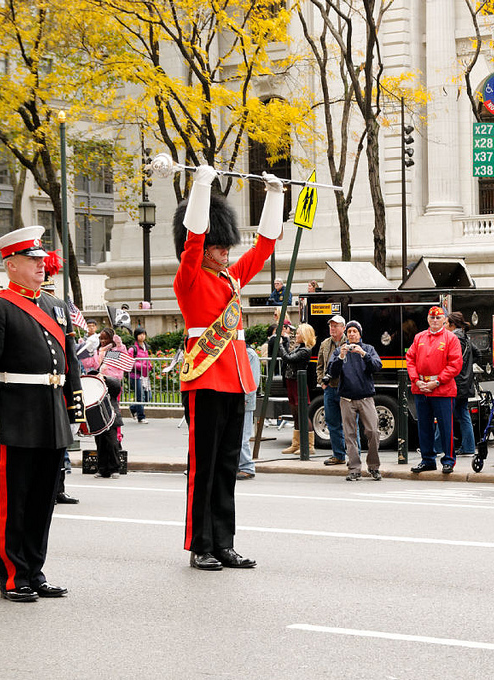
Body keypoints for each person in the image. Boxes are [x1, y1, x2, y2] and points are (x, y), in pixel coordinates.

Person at [172, 164, 284, 571]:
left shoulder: (230, 279)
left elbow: (265, 247)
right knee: (203, 468)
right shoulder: (189, 277)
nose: (226, 251)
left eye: (225, 246)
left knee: (226, 466)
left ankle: (223, 543)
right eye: (220, 247)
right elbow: (194, 237)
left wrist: (275, 197)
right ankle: (200, 544)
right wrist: (201, 187)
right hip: (205, 378)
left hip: (235, 379)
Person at [0, 225, 85, 602]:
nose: (41, 265)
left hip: (50, 412)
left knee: (41, 499)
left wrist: (75, 404)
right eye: (32, 260)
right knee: (12, 500)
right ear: (11, 265)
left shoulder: (55, 306)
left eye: (41, 259)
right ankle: (13, 576)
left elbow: (70, 364)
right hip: (15, 414)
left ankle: (35, 570)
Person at [406, 305, 463, 474]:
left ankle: (448, 460)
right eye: (432, 317)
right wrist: (416, 380)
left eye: (439, 318)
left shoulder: (451, 339)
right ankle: (428, 459)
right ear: (428, 319)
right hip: (421, 388)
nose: (435, 321)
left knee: (446, 427)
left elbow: (455, 364)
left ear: (445, 319)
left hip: (442, 389)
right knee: (424, 426)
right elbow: (410, 358)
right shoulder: (419, 337)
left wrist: (437, 382)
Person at [327, 320, 383, 481]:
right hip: (346, 399)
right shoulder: (339, 350)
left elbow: (377, 366)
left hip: (366, 397)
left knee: (373, 432)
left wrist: (363, 355)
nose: (352, 334)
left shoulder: (368, 349)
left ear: (360, 334)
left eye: (355, 331)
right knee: (349, 435)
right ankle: (354, 468)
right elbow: (332, 372)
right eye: (349, 331)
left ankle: (373, 466)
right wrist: (341, 357)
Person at [278, 322, 316, 455]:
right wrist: (285, 342)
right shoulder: (299, 348)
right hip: (291, 382)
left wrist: (280, 345)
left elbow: (288, 358)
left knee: (302, 414)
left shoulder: (305, 350)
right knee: (295, 414)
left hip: (298, 383)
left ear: (305, 335)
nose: (296, 335)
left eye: (299, 333)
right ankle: (296, 443)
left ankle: (309, 445)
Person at [316, 315, 348, 465]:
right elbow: (320, 366)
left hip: (345, 389)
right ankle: (339, 455)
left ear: (343, 328)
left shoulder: (349, 343)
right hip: (329, 389)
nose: (332, 328)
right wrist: (322, 382)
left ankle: (354, 456)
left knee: (350, 424)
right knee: (332, 422)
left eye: (335, 326)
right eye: (331, 326)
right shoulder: (325, 344)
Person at [447, 311, 477, 458]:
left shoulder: (454, 338)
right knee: (463, 414)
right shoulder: (466, 337)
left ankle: (438, 446)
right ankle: (469, 447)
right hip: (466, 382)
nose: (445, 326)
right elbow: (477, 353)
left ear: (452, 325)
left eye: (446, 323)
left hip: (455, 382)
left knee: (445, 414)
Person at [93, 373, 124, 479]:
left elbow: (117, 386)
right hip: (98, 418)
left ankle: (115, 468)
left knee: (112, 443)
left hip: (111, 417)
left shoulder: (109, 386)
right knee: (100, 444)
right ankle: (102, 469)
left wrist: (105, 379)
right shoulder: (93, 388)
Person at [237, 346, 260, 480]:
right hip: (238, 400)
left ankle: (247, 467)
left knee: (243, 437)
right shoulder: (240, 352)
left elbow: (252, 380)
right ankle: (241, 465)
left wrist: (245, 398)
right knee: (238, 436)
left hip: (244, 401)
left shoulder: (249, 354)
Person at [127, 327, 152, 423]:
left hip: (145, 376)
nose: (142, 336)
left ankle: (133, 408)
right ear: (136, 336)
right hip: (135, 375)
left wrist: (149, 365)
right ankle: (141, 417)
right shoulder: (133, 349)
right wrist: (142, 366)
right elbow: (130, 361)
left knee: (148, 396)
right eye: (140, 334)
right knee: (140, 396)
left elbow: (147, 359)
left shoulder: (146, 347)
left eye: (144, 334)